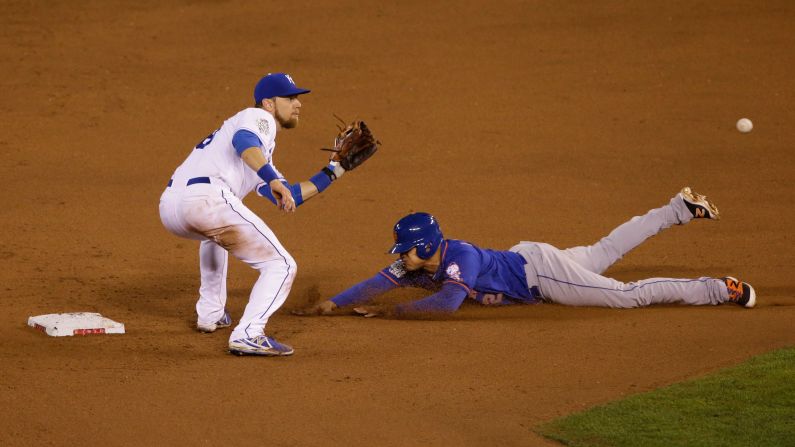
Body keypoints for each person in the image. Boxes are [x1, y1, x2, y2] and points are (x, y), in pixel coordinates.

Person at [299, 187, 756, 317]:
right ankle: (678, 209)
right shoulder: (420, 258)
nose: (401, 258)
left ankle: (717, 289)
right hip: (531, 259)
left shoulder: (459, 258)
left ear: (423, 246)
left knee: (624, 294)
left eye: (406, 251)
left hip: (541, 274)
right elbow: (379, 282)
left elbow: (447, 303)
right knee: (602, 251)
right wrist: (333, 305)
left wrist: (389, 315)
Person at [159, 72, 353, 356]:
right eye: (290, 98)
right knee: (282, 265)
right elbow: (244, 141)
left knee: (214, 237)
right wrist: (271, 178)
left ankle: (210, 314)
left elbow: (292, 196)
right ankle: (249, 334)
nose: (297, 104)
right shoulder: (257, 118)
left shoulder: (260, 155)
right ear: (269, 103)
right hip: (207, 199)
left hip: (172, 208)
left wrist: (336, 170)